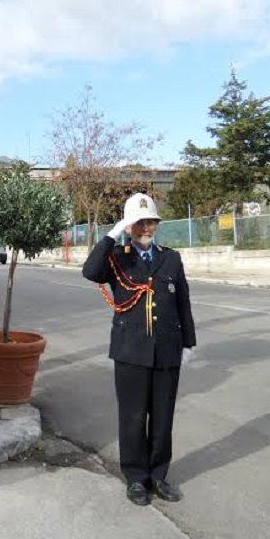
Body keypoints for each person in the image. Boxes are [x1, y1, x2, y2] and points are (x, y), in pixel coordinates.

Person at [82, 192, 196, 507]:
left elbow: (182, 301)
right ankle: (135, 478)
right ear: (130, 225)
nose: (146, 227)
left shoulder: (170, 257)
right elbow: (90, 272)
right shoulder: (117, 256)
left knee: (162, 417)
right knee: (132, 417)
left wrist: (188, 342)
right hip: (130, 351)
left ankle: (158, 476)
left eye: (151, 221)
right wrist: (113, 233)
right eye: (140, 222)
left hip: (167, 350)